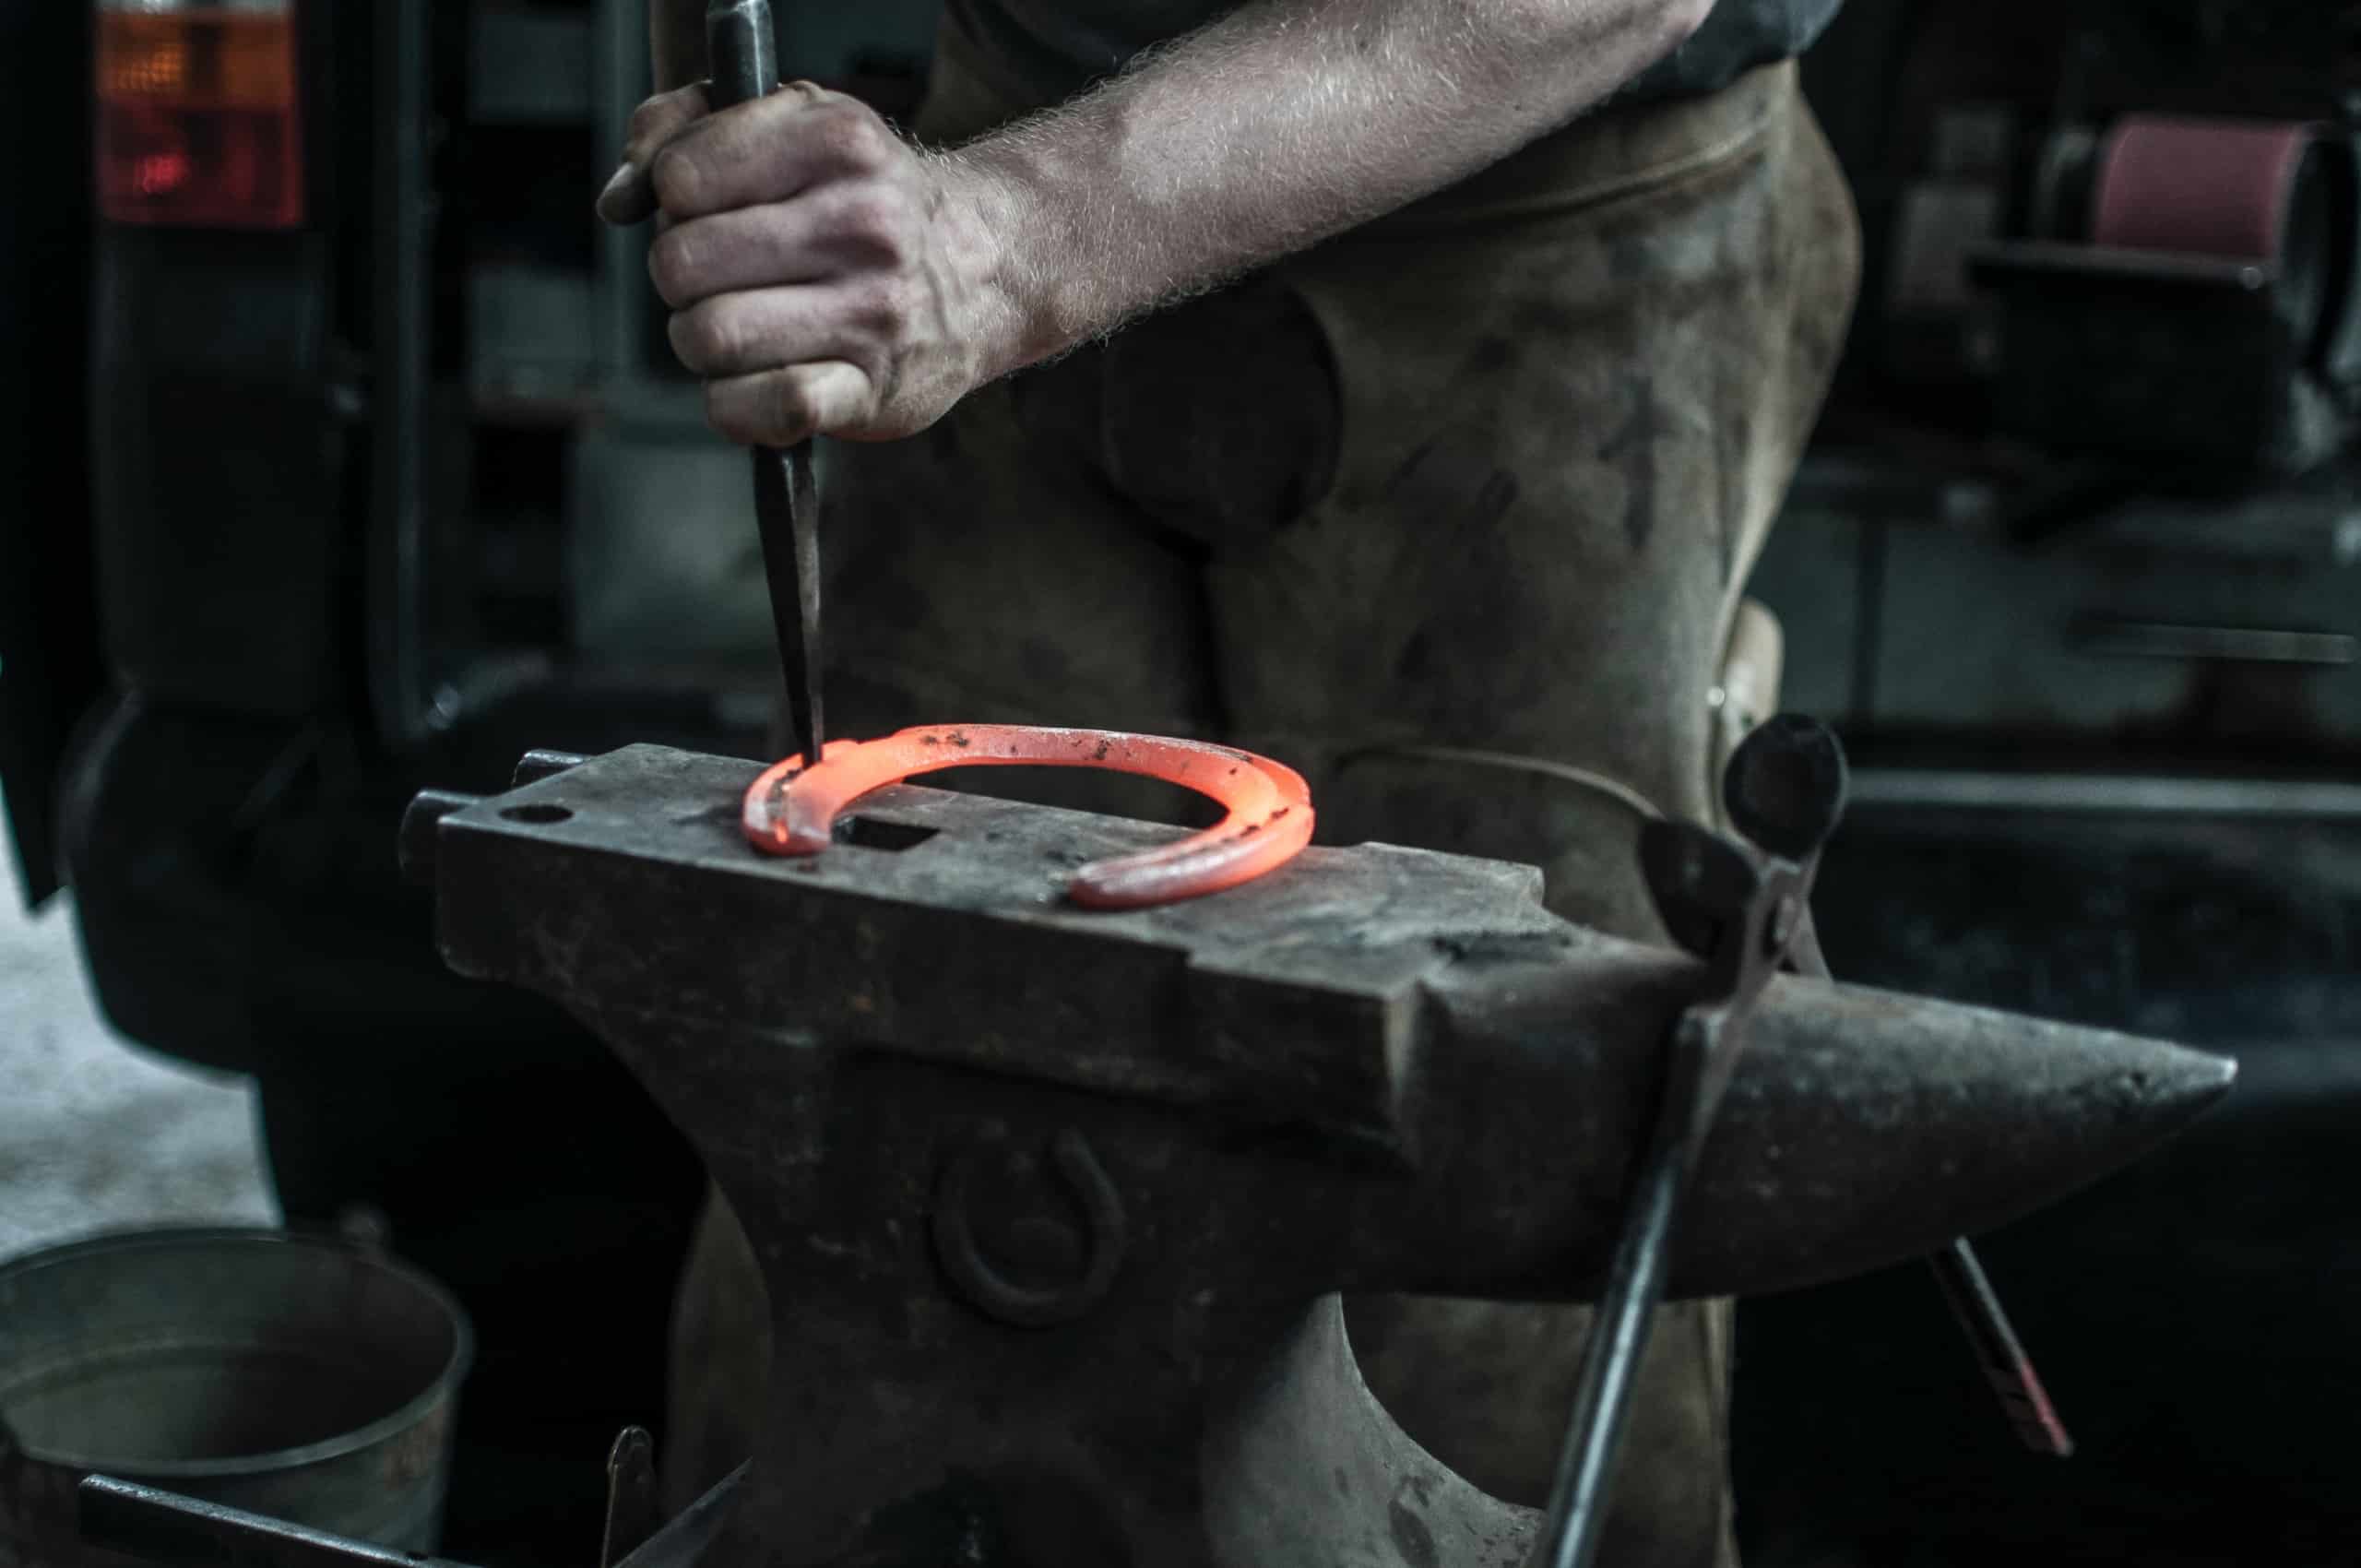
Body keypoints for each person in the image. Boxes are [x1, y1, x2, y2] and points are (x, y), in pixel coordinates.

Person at [599, 0, 1858, 1562]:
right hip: (1012, 107)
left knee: (1491, 1193)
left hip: (1551, 192)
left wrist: (1002, 250)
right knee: (888, 1124)